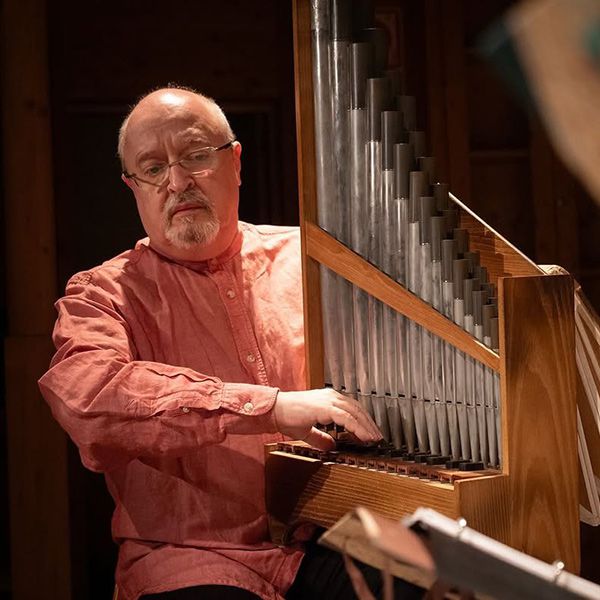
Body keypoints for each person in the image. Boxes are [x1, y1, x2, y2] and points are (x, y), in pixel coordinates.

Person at [38, 86, 392, 600]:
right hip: (191, 555)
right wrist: (270, 407)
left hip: (333, 534)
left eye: (196, 156)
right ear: (132, 186)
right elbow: (89, 399)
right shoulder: (100, 294)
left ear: (236, 162)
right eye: (153, 168)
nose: (177, 181)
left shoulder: (316, 262)